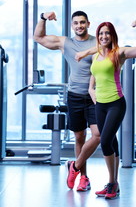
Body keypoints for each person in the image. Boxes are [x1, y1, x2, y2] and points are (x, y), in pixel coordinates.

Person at [75, 20, 136, 199]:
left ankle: (112, 183)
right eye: (101, 33)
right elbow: (93, 80)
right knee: (112, 143)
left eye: (107, 33)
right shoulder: (96, 55)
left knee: (106, 142)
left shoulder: (120, 53)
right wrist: (92, 94)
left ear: (112, 35)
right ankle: (113, 185)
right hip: (100, 105)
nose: (103, 36)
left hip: (116, 103)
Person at [33, 11, 100, 191]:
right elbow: (38, 37)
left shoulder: (97, 41)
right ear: (72, 25)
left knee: (98, 134)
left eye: (82, 22)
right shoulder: (66, 43)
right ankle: (83, 178)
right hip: (75, 96)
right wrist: (43, 18)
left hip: (95, 96)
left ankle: (74, 167)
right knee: (79, 137)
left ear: (88, 23)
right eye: (76, 23)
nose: (79, 26)